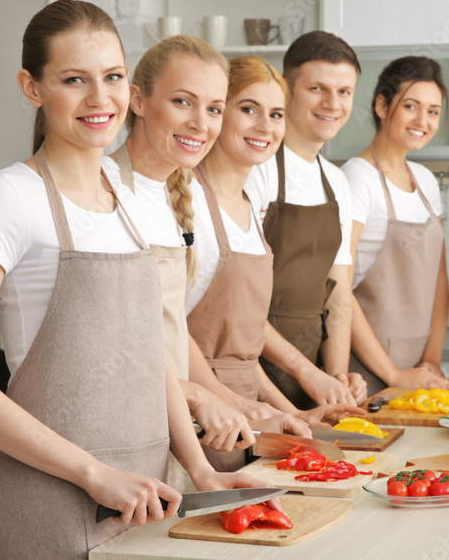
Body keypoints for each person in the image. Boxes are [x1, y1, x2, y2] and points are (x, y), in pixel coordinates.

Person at [0, 0, 275, 560]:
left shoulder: (129, 200)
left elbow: (148, 354)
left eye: (112, 77)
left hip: (146, 501)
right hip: (46, 507)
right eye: (74, 80)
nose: (101, 99)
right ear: (32, 87)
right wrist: (94, 474)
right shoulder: (6, 197)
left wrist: (199, 470)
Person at [100, 38, 313, 464]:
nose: (201, 123)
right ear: (137, 100)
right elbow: (109, 344)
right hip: (116, 427)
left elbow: (172, 331)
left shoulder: (170, 197)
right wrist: (203, 397)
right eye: (183, 102)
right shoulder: (103, 188)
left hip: (174, 424)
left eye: (213, 108)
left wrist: (237, 405)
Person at [183, 55, 365, 468]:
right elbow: (170, 332)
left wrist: (292, 413)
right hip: (202, 418)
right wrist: (233, 402)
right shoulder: (190, 200)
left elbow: (242, 354)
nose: (265, 126)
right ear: (217, 113)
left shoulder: (247, 206)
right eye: (248, 109)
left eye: (275, 114)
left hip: (248, 415)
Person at [245, 31, 366, 408]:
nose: (333, 103)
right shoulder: (256, 169)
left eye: (344, 92)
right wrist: (307, 373)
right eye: (318, 88)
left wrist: (336, 378)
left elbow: (339, 293)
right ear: (287, 91)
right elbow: (238, 303)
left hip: (311, 378)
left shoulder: (337, 181)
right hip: (252, 373)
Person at [342, 56, 449, 396]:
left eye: (433, 111)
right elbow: (338, 290)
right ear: (381, 104)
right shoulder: (356, 178)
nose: (423, 120)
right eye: (411, 106)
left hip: (418, 370)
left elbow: (439, 279)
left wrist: (431, 363)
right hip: (367, 371)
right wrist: (392, 374)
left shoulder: (425, 182)